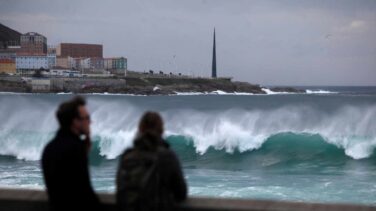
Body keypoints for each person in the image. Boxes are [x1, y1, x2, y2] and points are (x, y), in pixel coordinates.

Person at [116, 111, 187, 211]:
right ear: (162, 130)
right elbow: (181, 194)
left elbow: (121, 192)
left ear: (140, 129)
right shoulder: (167, 156)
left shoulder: (127, 156)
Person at [41, 96, 102, 211]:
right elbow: (84, 193)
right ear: (75, 121)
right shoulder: (75, 149)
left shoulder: (49, 148)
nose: (90, 122)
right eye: (87, 118)